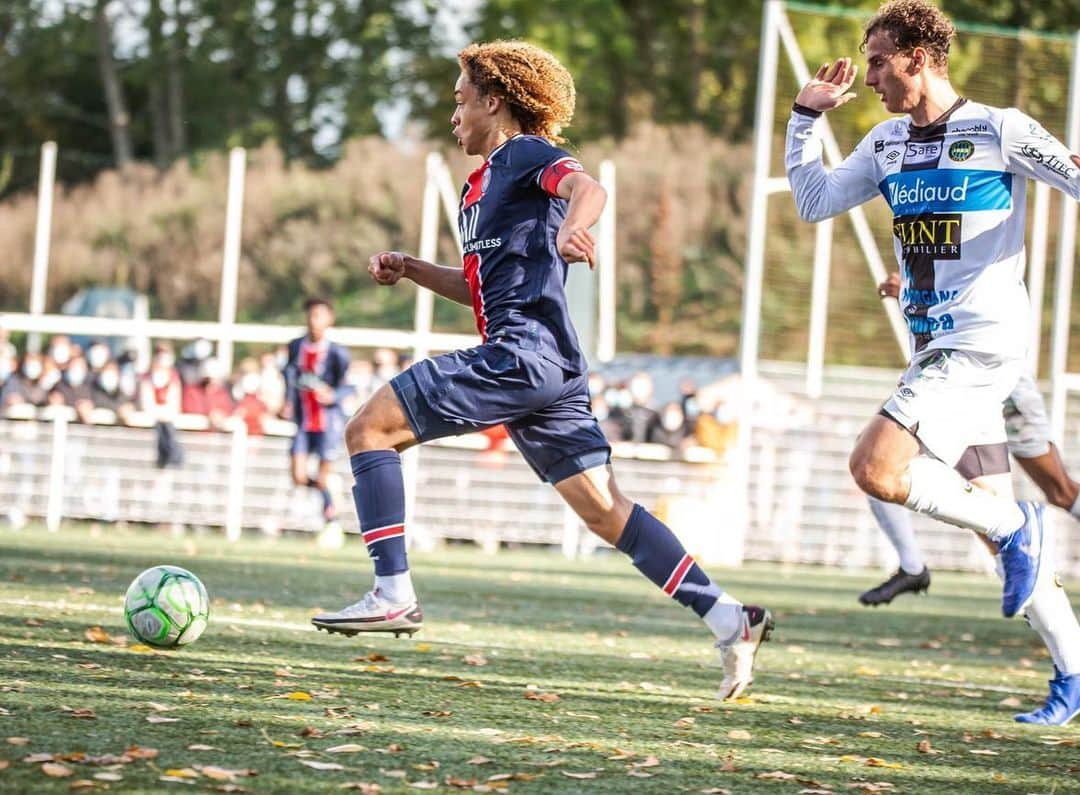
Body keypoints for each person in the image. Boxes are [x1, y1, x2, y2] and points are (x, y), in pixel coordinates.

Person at [310, 40, 773, 701]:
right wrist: (412, 268)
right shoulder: (480, 188)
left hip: (520, 355)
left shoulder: (524, 153)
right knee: (606, 512)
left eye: (459, 100)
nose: (453, 115)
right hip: (547, 368)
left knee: (368, 429)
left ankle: (391, 591)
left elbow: (588, 187)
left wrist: (571, 230)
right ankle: (731, 617)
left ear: (493, 101)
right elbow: (480, 290)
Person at [786, 0, 1080, 724]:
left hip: (978, 348)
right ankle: (1073, 674)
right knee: (991, 521)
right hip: (939, 355)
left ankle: (1021, 528)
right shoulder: (886, 144)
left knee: (876, 468)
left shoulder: (999, 129)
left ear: (920, 57)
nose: (872, 75)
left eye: (881, 60)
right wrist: (803, 119)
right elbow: (813, 201)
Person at [282, 298, 352, 527]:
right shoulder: (295, 346)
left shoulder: (337, 354)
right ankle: (331, 497)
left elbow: (348, 386)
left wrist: (333, 395)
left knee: (322, 477)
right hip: (303, 421)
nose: (314, 321)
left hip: (327, 423)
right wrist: (287, 400)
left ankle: (330, 514)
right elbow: (289, 376)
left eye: (319, 316)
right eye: (311, 315)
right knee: (299, 476)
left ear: (329, 320)